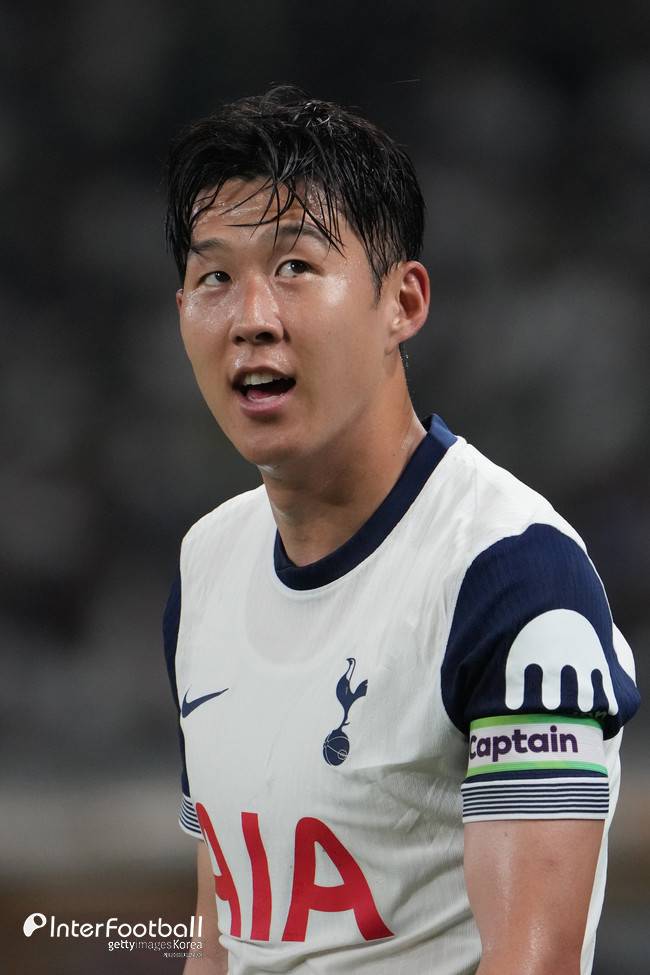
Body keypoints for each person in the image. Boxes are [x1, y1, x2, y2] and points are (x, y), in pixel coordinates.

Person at [162, 86, 639, 975]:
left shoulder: (515, 579)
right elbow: (223, 936)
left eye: (295, 266)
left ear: (403, 302)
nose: (252, 318)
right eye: (214, 277)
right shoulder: (205, 565)